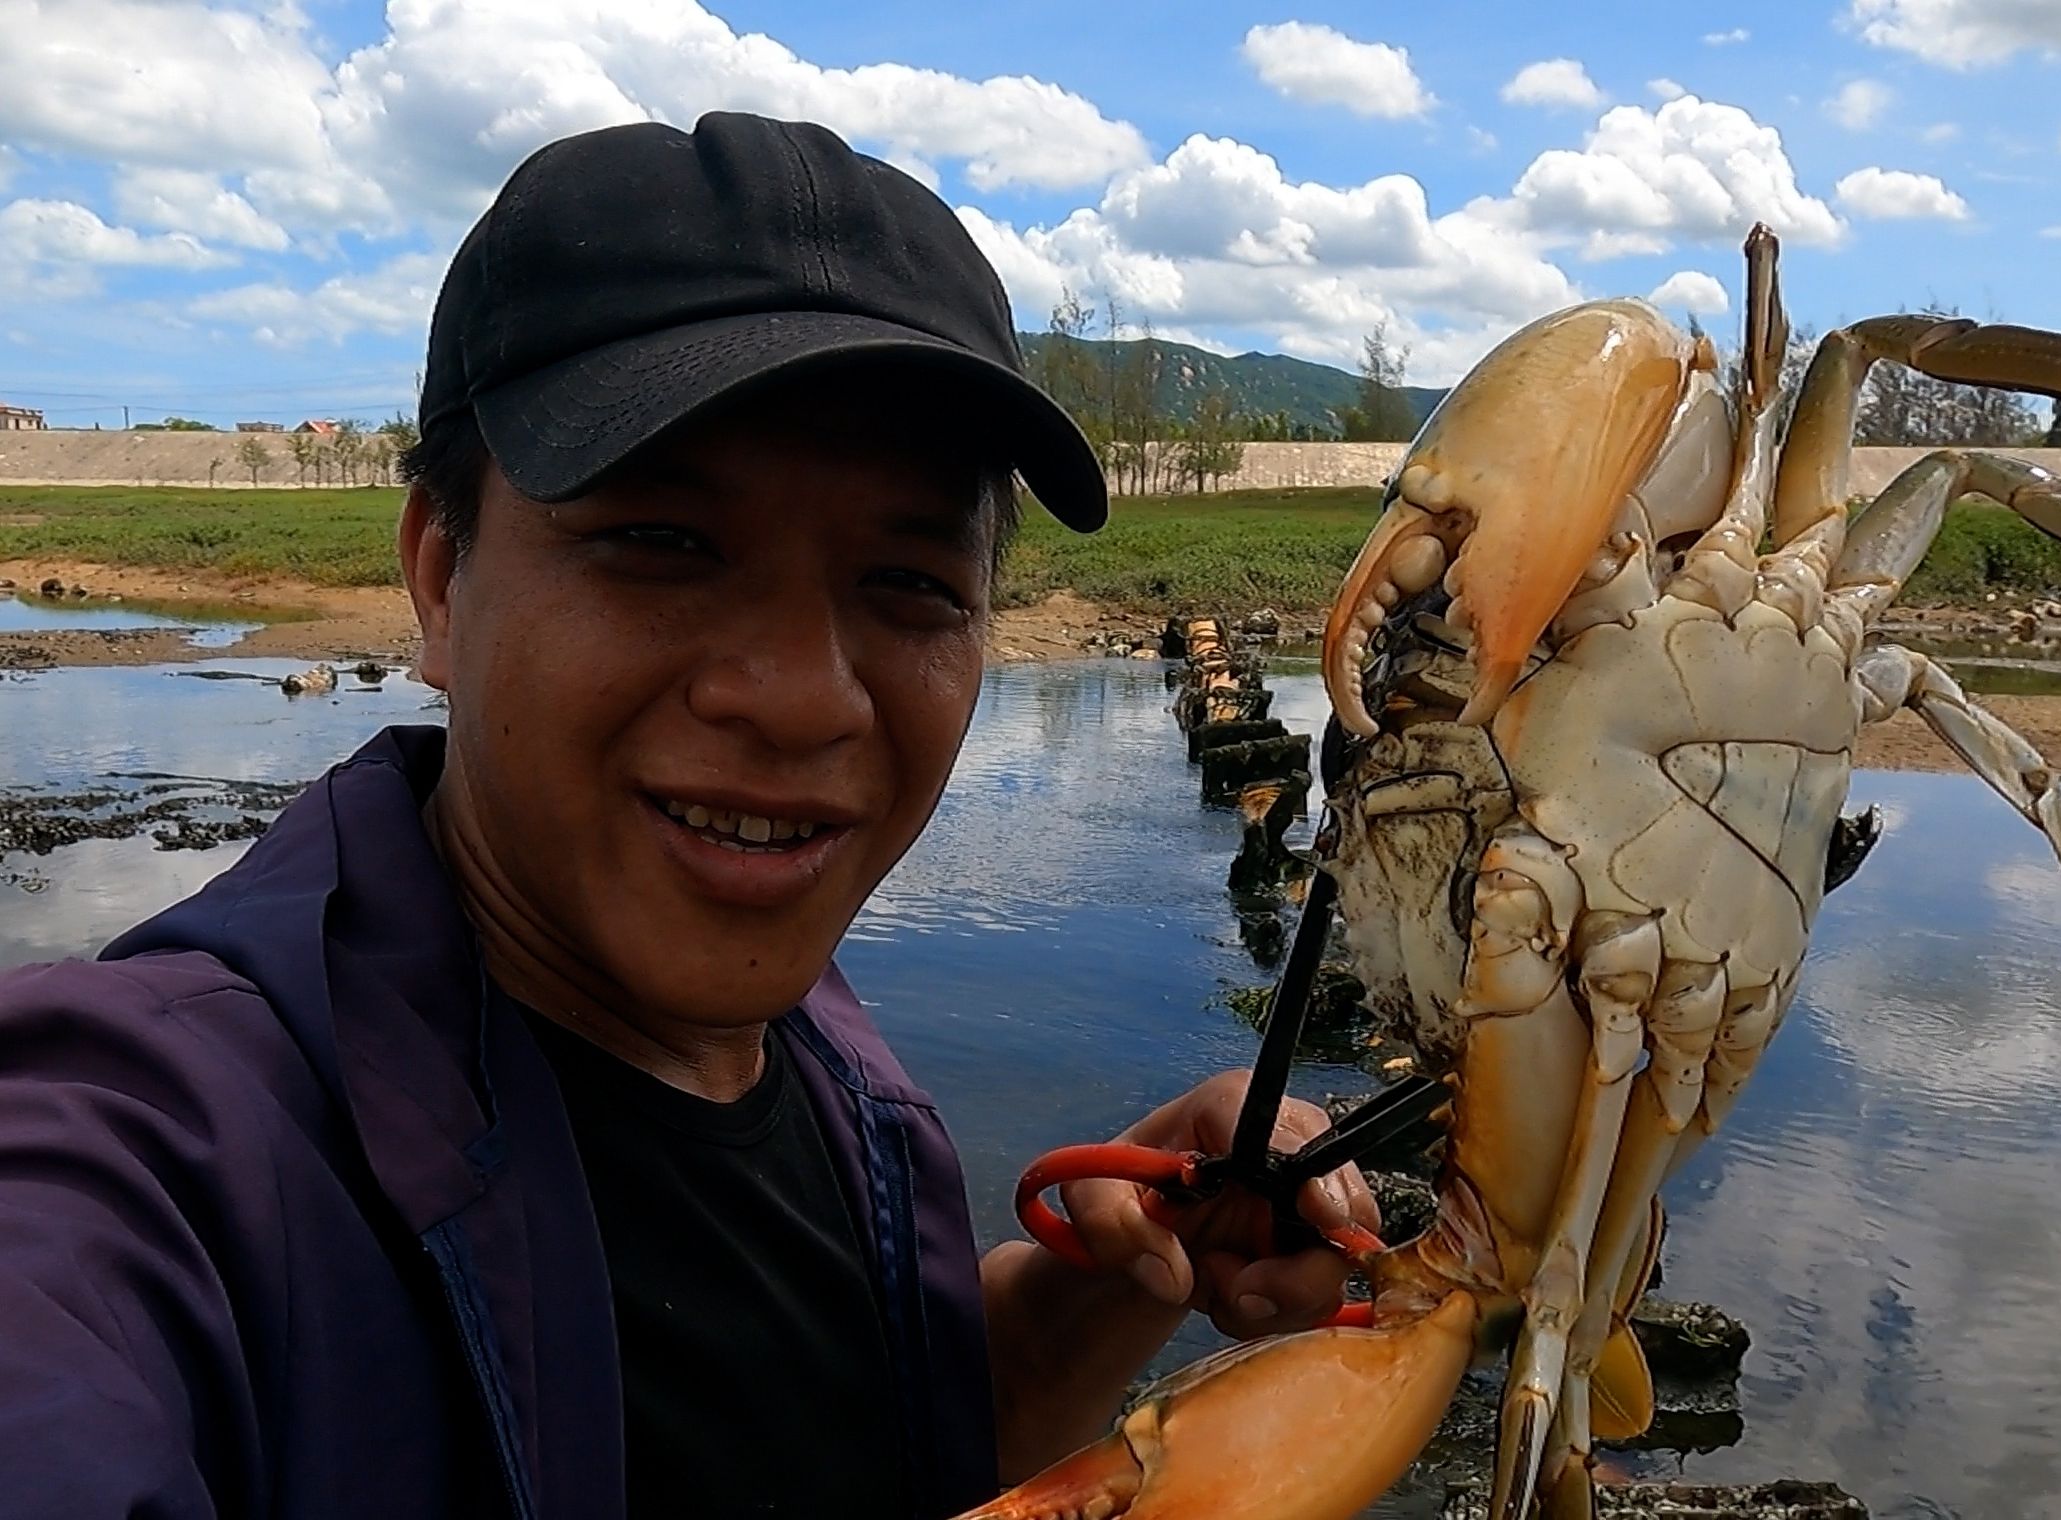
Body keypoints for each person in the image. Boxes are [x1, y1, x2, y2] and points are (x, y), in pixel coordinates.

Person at [0, 113, 1377, 1519]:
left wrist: (1103, 1287)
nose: (797, 697)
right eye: (661, 545)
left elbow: (841, 1429)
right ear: (437, 580)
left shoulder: (838, 1078)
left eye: (907, 582)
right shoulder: (157, 1157)